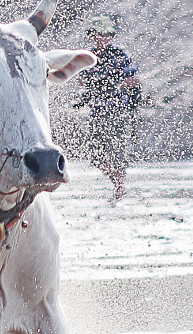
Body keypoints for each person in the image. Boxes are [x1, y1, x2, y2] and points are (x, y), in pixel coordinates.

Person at [57, 13, 142, 199]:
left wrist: (116, 84)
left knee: (117, 153)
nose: (102, 39)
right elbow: (79, 79)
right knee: (95, 156)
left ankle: (120, 188)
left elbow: (135, 79)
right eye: (99, 34)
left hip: (117, 111)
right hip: (97, 111)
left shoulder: (120, 55)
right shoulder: (89, 56)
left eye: (106, 35)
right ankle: (117, 184)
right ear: (92, 36)